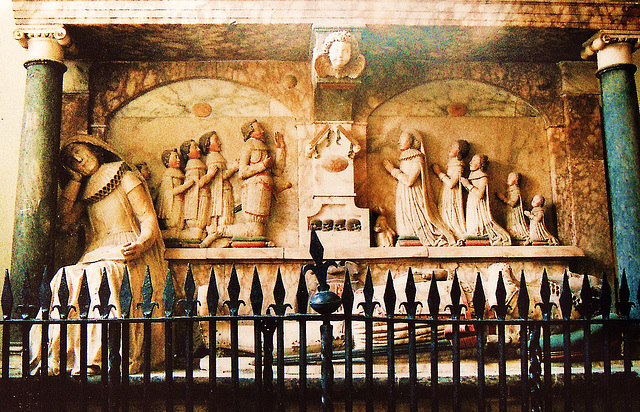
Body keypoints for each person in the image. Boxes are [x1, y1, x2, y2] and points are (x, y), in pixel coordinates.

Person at [30, 135, 166, 375]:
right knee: (64, 277)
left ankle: (98, 357)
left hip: (127, 250)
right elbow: (64, 223)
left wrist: (141, 244)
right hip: (95, 252)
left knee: (103, 276)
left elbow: (148, 219)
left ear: (94, 148)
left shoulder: (123, 175)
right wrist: (74, 182)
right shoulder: (84, 188)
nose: (77, 158)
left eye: (78, 150)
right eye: (70, 160)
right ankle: (59, 357)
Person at [214, 120, 286, 240]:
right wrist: (262, 165)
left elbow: (277, 171)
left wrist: (280, 149)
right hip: (254, 189)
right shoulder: (248, 147)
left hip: (265, 189)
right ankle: (221, 231)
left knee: (259, 231)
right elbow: (242, 172)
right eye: (259, 129)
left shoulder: (264, 148)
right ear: (251, 132)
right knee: (256, 231)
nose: (263, 131)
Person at [383, 130, 456, 247]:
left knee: (417, 224)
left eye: (402, 139)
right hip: (405, 194)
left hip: (414, 196)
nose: (398, 142)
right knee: (405, 229)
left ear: (411, 142)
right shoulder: (406, 158)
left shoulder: (417, 158)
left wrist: (393, 170)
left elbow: (409, 181)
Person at [198, 131, 239, 248]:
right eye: (216, 140)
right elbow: (221, 176)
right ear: (208, 145)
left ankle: (219, 238)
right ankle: (217, 238)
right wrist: (234, 168)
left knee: (224, 214)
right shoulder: (213, 159)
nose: (220, 143)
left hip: (223, 189)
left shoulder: (215, 157)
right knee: (223, 214)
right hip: (221, 191)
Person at [460, 154, 512, 246]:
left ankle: (480, 235)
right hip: (472, 203)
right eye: (471, 160)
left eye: (475, 160)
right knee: (471, 228)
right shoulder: (473, 176)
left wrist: (468, 185)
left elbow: (480, 194)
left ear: (481, 164)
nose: (471, 162)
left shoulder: (483, 178)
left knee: (477, 228)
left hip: (479, 206)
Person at [431, 140, 469, 241]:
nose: (450, 148)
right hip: (447, 193)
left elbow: (452, 183)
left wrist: (439, 173)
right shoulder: (453, 164)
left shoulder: (459, 166)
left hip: (452, 195)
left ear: (459, 152)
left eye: (453, 146)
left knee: (451, 216)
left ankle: (455, 235)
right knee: (444, 213)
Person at [156, 148, 194, 238]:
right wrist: (186, 185)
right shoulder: (168, 175)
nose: (178, 160)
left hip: (180, 202)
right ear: (167, 161)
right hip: (173, 204)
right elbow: (170, 192)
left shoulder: (179, 174)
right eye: (175, 157)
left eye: (178, 157)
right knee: (174, 225)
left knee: (180, 226)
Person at [180, 139, 209, 240]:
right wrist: (210, 175)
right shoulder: (193, 166)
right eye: (195, 147)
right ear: (187, 153)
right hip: (196, 201)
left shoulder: (197, 164)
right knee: (197, 231)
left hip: (203, 196)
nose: (199, 149)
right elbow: (198, 184)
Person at [496, 172, 530, 244]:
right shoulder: (510, 190)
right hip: (510, 213)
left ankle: (519, 236)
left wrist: (503, 198)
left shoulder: (516, 191)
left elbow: (513, 203)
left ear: (516, 180)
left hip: (515, 214)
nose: (508, 179)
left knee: (514, 227)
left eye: (510, 178)